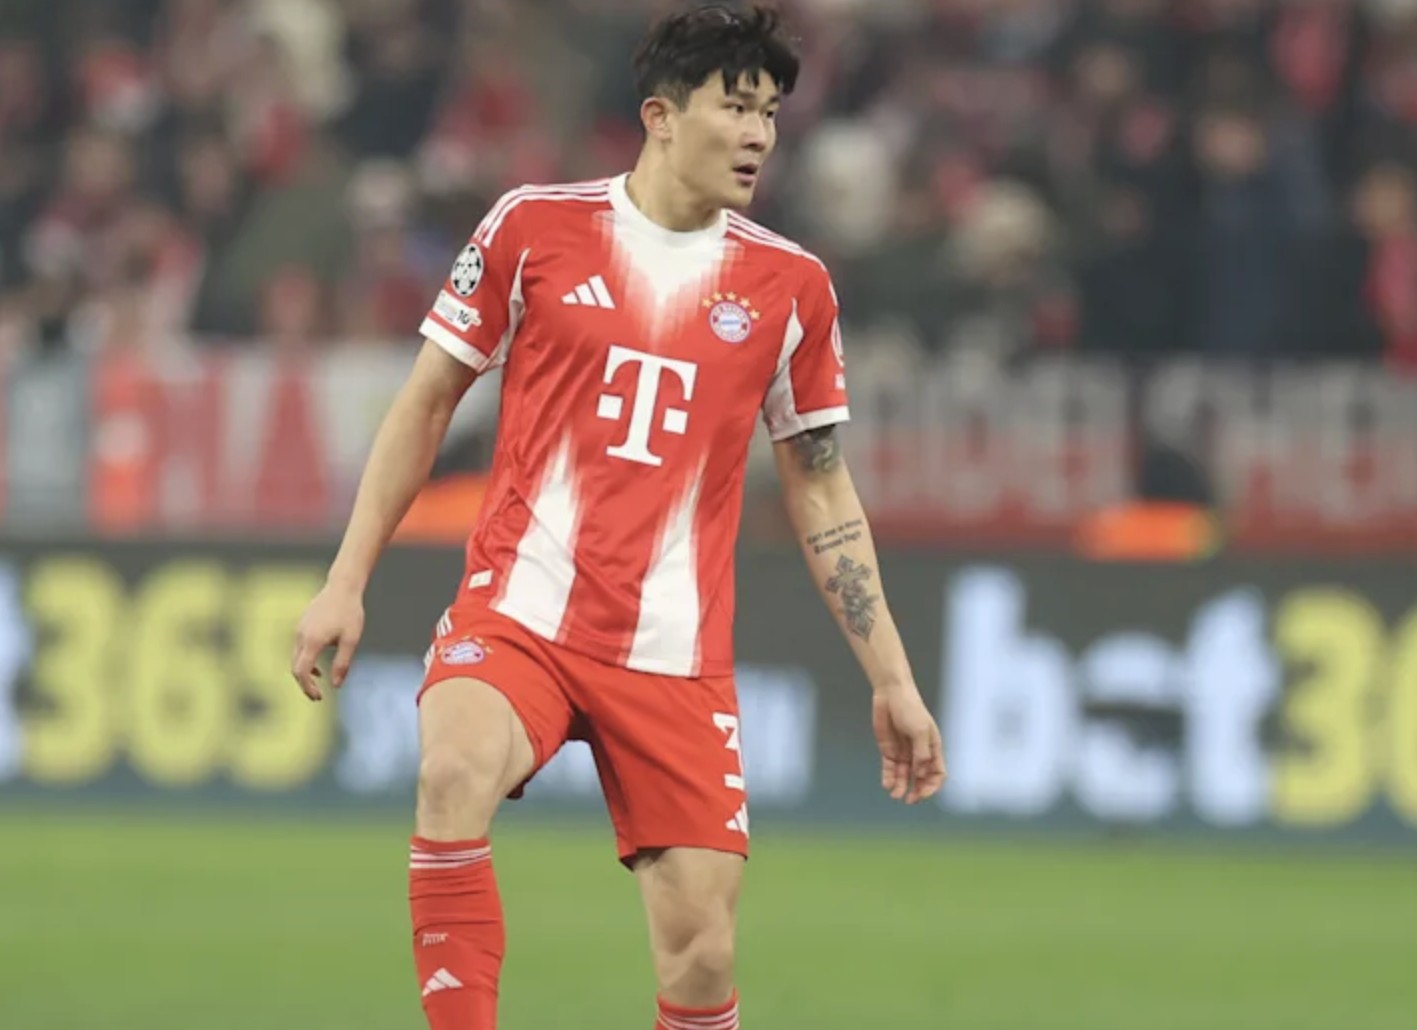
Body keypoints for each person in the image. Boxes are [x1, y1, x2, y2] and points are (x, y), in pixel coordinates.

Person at [291, 6, 946, 1028]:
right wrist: (344, 580)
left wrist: (893, 678)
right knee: (452, 768)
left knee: (701, 954)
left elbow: (822, 488)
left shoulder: (791, 288)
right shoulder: (531, 228)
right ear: (660, 117)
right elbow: (425, 403)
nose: (759, 136)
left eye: (770, 115)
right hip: (522, 614)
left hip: (673, 655)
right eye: (736, 108)